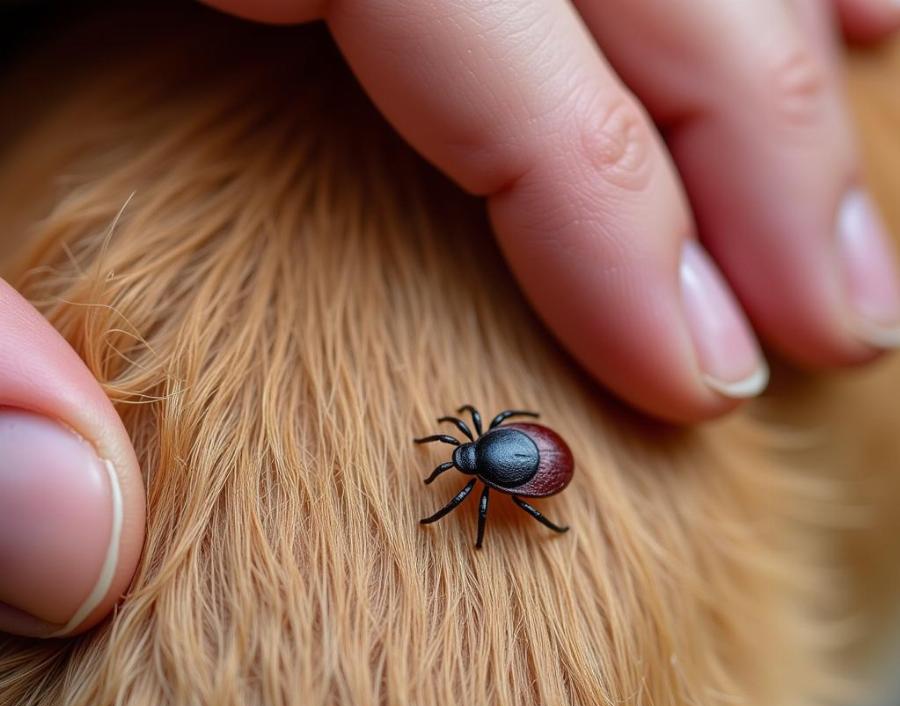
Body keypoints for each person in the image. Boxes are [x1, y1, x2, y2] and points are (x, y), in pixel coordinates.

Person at [2, 0, 899, 637]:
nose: (464, 459)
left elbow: (489, 470)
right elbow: (508, 453)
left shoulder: (481, 480)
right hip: (544, 459)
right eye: (469, 458)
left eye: (468, 459)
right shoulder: (500, 461)